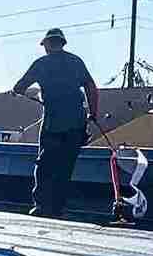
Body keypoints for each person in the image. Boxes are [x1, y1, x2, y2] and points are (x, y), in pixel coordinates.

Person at [12, 27, 99, 218]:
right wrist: (93, 114)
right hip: (77, 124)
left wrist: (34, 95)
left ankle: (42, 206)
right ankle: (58, 208)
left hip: (53, 123)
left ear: (47, 45)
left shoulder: (41, 64)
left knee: (44, 165)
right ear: (62, 43)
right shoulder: (76, 61)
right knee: (65, 167)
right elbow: (91, 87)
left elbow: (19, 88)